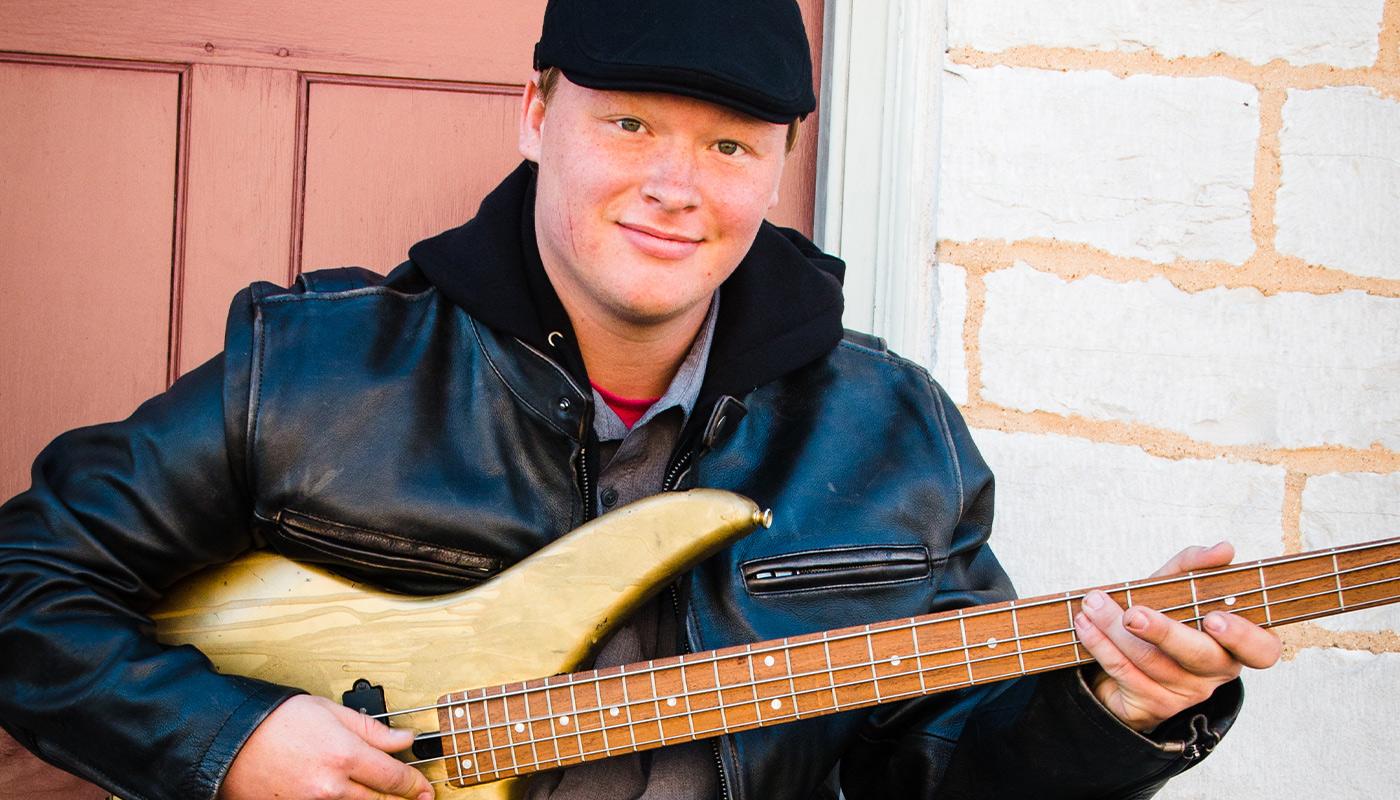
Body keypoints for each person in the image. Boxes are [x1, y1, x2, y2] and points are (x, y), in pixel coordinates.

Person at [0, 1, 1281, 799]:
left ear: (778, 165)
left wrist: (1114, 707)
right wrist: (229, 742)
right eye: (629, 127)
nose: (677, 183)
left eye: (729, 145)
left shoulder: (889, 427)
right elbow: (24, 581)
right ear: (533, 114)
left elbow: (933, 764)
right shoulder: (316, 366)